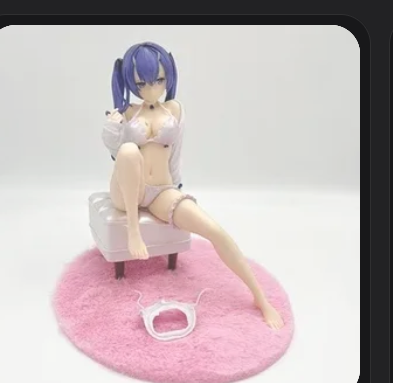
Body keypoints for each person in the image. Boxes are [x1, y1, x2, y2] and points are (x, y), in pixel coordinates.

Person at [102, 42, 284, 330]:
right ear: (131, 82)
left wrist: (177, 188)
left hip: (161, 191)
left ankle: (260, 298)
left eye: (158, 80)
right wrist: (113, 126)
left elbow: (176, 152)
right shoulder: (127, 113)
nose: (151, 89)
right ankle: (134, 232)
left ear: (168, 75)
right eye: (141, 83)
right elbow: (116, 153)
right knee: (128, 151)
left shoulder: (174, 109)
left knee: (215, 230)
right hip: (128, 192)